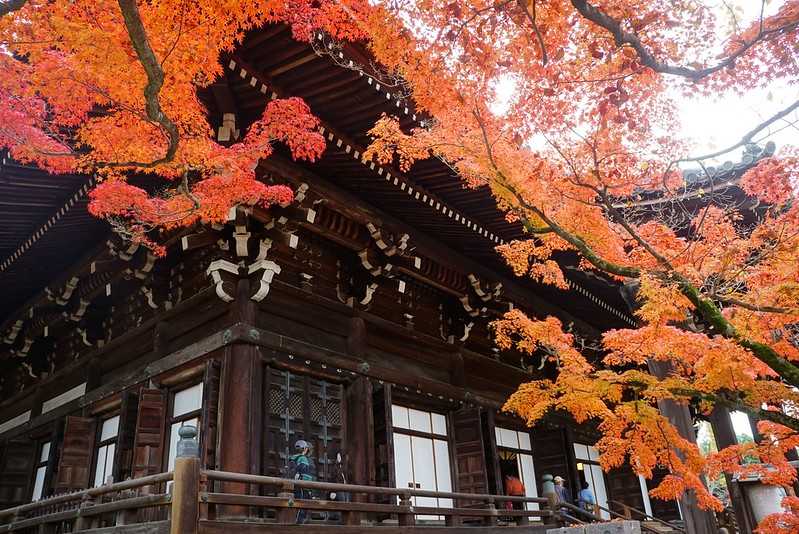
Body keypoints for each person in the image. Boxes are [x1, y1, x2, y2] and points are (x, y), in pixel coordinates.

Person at [289, 439, 315, 524]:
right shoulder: (303, 459)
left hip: (296, 484)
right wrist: (311, 489)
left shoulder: (293, 459)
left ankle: (296, 521)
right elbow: (305, 472)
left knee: (297, 505)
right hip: (303, 486)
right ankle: (298, 524)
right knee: (302, 506)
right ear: (305, 449)